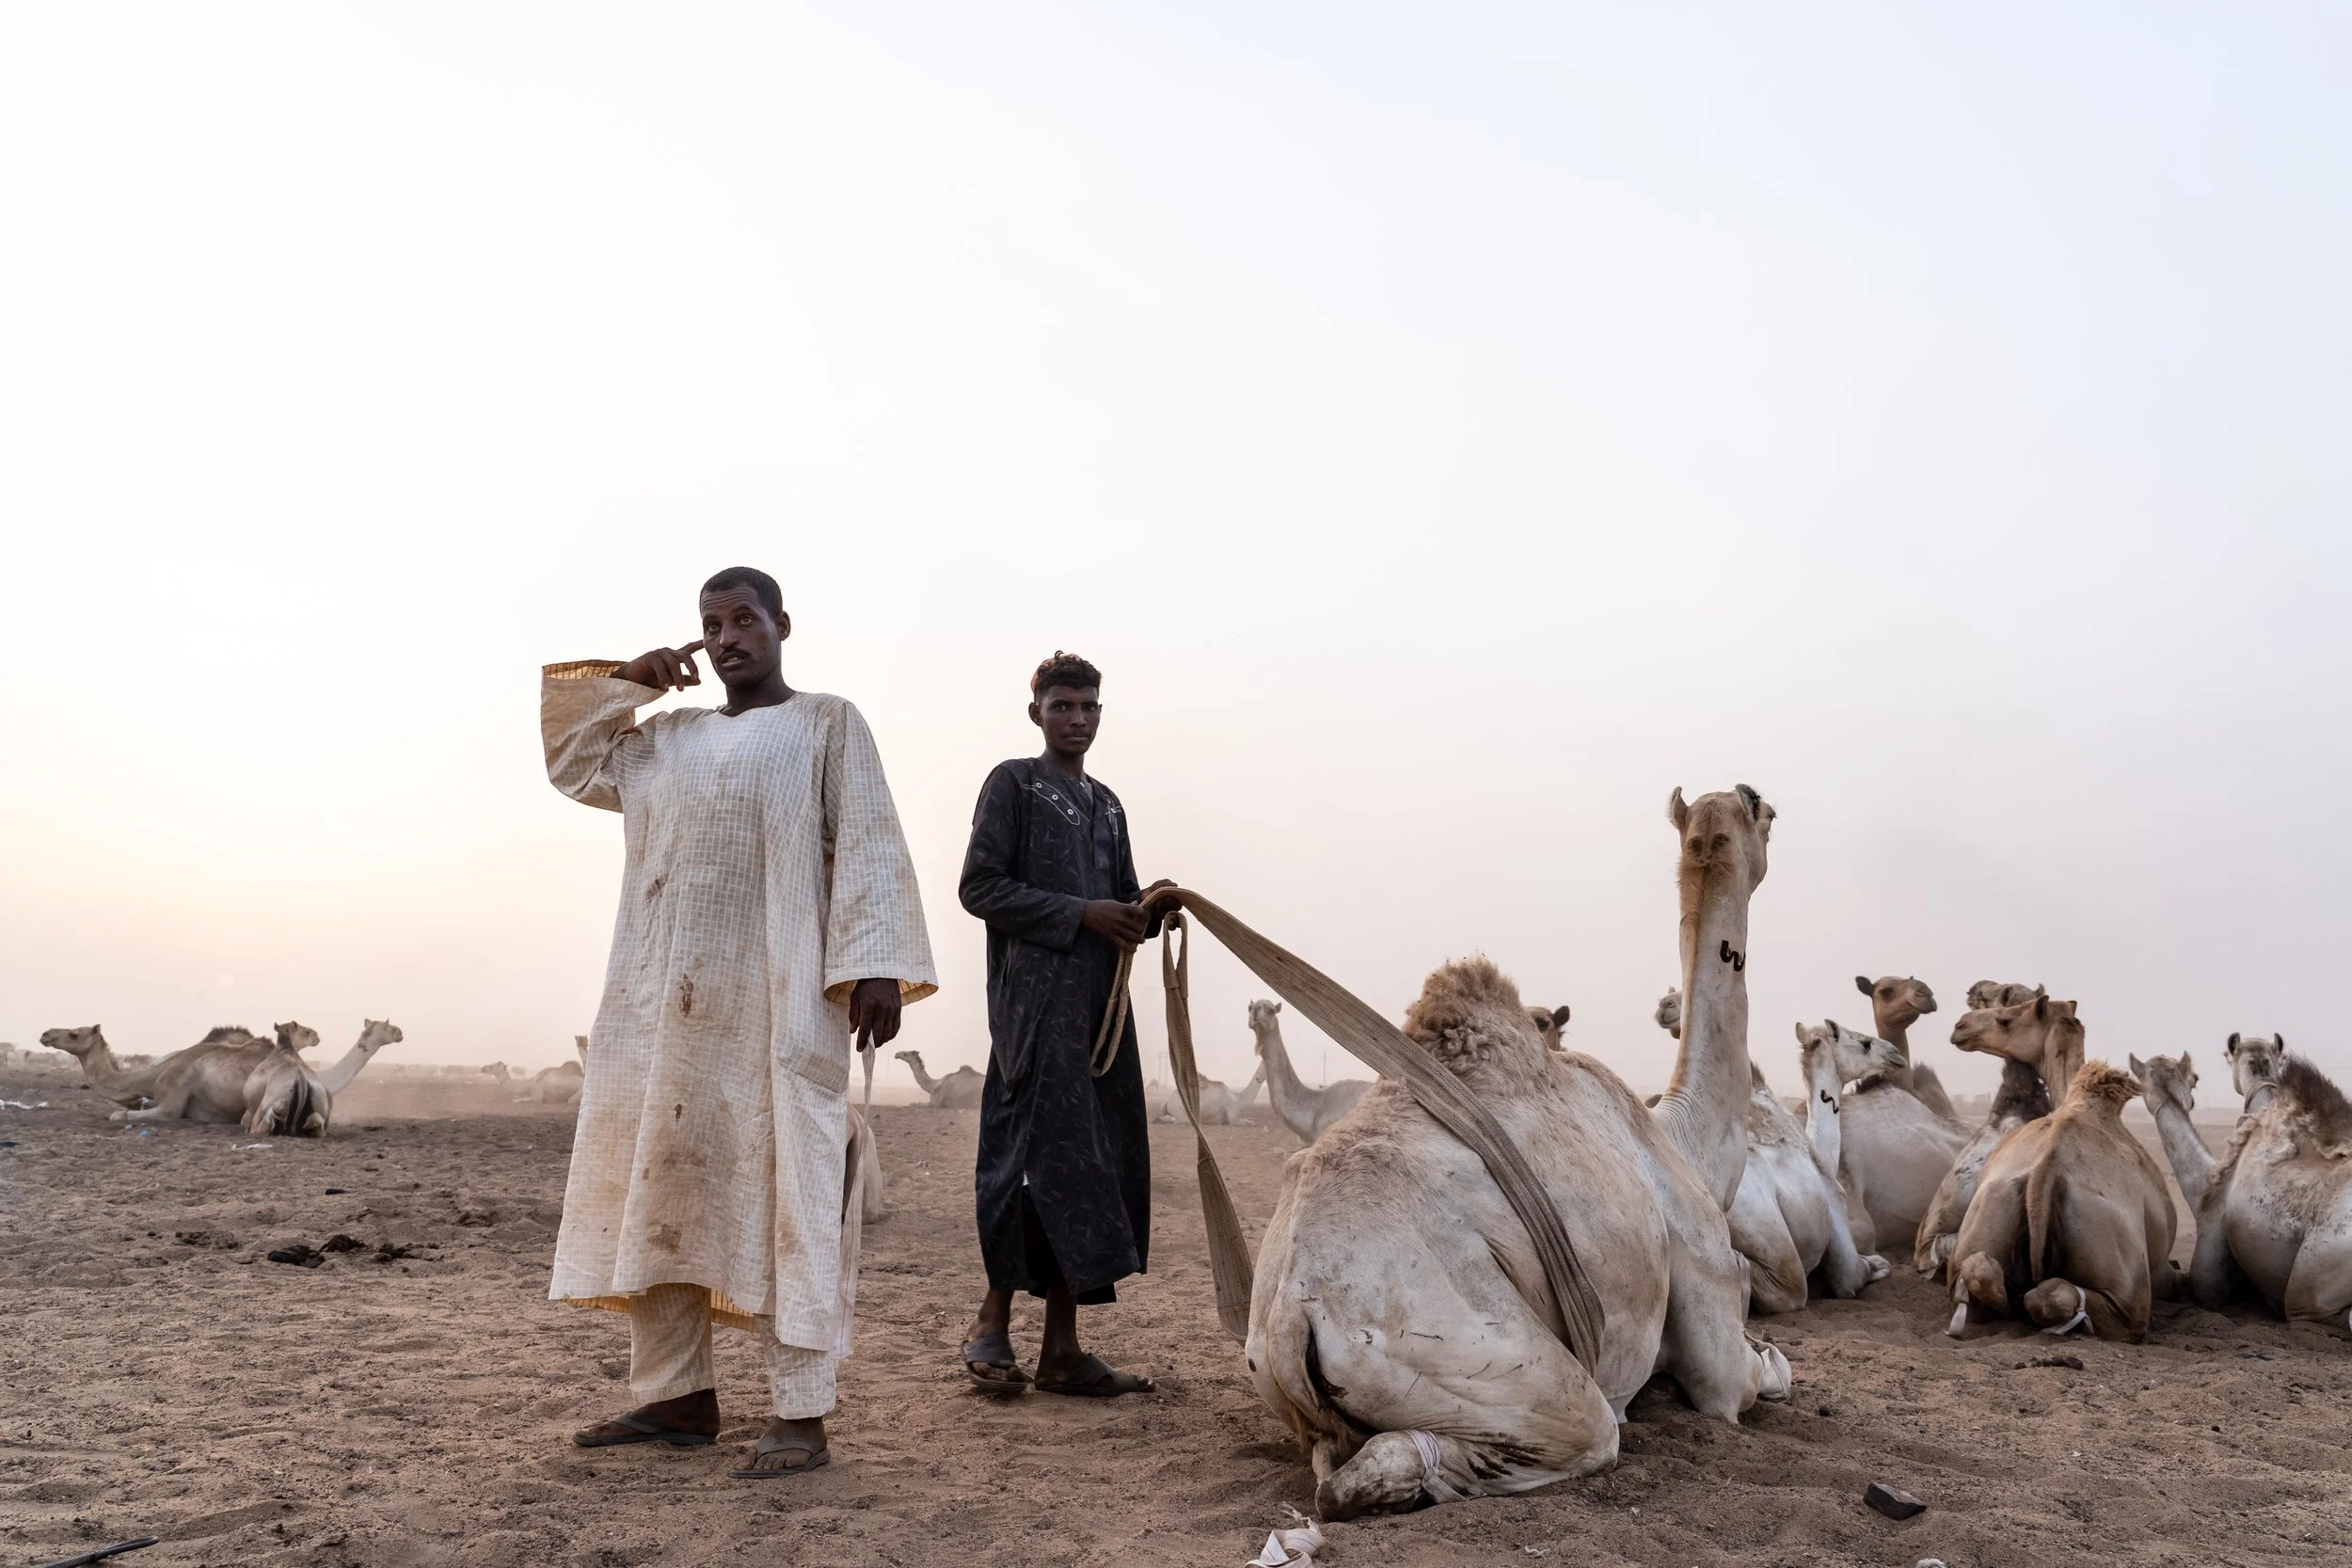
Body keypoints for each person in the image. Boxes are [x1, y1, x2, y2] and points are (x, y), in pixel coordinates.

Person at [544, 565, 935, 1478]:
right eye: (710, 624)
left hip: (780, 1000)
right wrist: (632, 682)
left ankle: (801, 1414)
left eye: (743, 619)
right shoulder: (662, 741)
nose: (726, 638)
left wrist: (873, 963)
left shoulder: (825, 722)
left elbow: (871, 835)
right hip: (662, 1012)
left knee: (788, 1195)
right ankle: (675, 1399)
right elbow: (570, 763)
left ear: (781, 625)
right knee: (666, 1191)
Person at [957, 651, 1177, 1396]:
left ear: (1099, 714)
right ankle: (991, 1320)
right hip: (1033, 1006)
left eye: (1087, 708)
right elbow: (979, 886)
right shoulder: (1013, 784)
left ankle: (1061, 1348)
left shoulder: (1109, 804)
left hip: (1098, 1014)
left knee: (1088, 1164)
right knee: (1022, 1159)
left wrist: (1148, 906)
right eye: (1062, 707)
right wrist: (1079, 913)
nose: (1075, 719)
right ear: (1037, 713)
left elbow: (1121, 907)